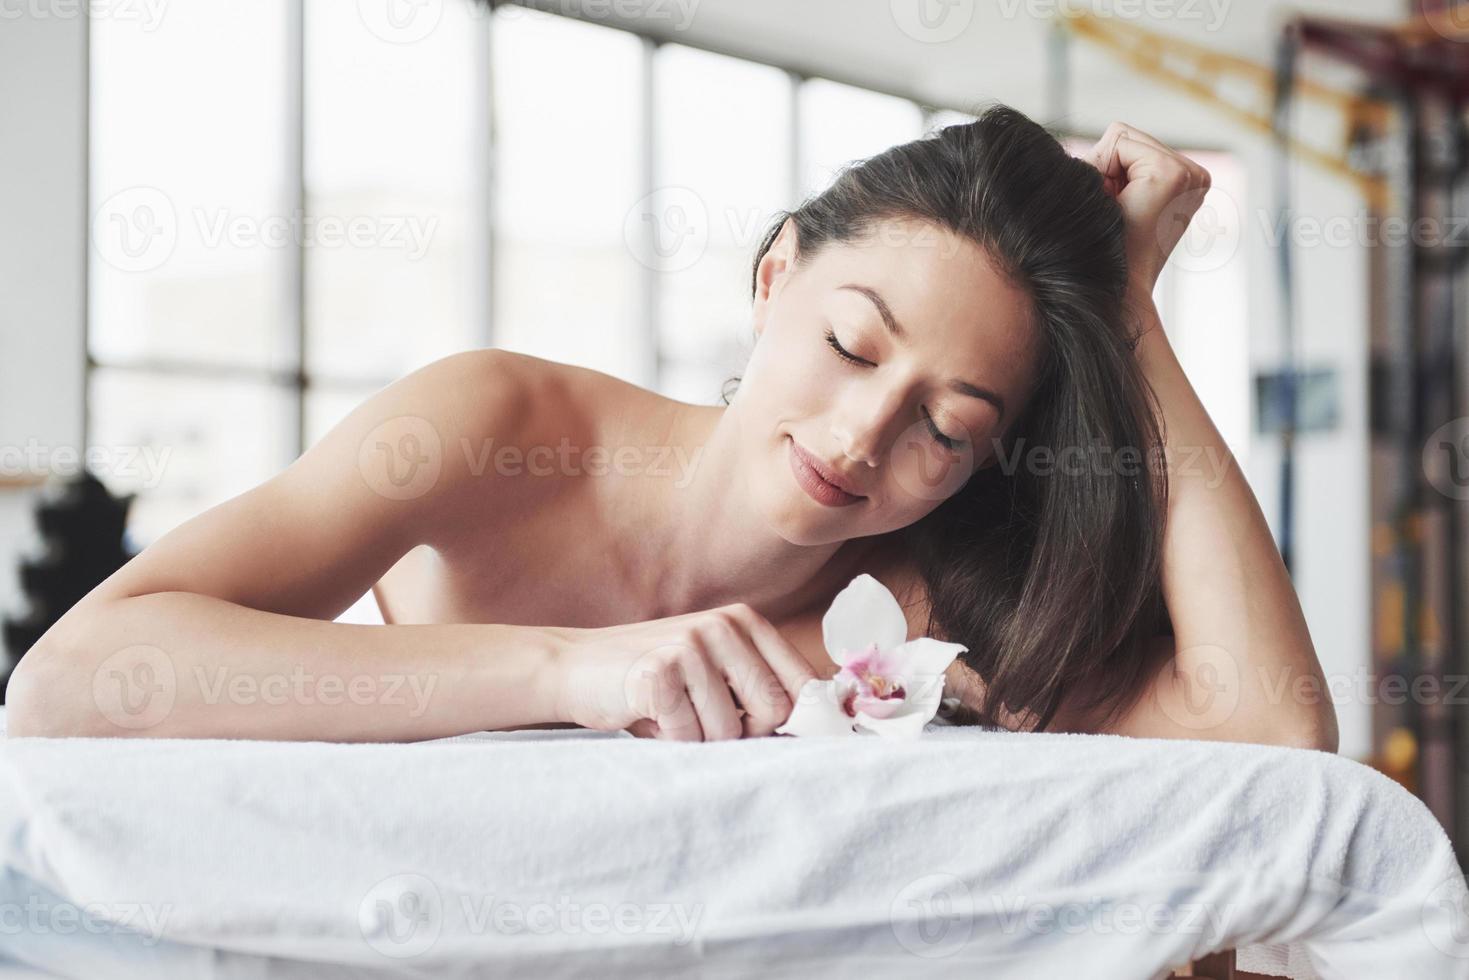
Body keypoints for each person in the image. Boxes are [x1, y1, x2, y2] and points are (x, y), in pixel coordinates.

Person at [6, 104, 1338, 752]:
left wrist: (1125, 315)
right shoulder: (493, 427)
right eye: (847, 345)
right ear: (773, 278)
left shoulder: (921, 611)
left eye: (947, 422)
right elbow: (69, 682)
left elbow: (1271, 733)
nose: (862, 436)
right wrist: (574, 674)